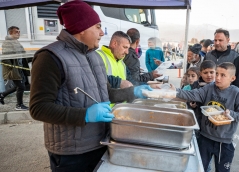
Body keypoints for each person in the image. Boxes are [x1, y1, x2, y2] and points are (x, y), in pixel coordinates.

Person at [29, 1, 151, 171]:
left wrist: (134, 92)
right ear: (82, 28)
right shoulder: (50, 57)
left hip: (101, 141)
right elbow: (38, 108)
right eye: (98, 26)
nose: (102, 32)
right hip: (71, 153)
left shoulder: (94, 57)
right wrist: (85, 114)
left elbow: (106, 93)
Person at [171, 62, 239, 172]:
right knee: (201, 168)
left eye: (223, 75)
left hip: (224, 141)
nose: (217, 78)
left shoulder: (236, 93)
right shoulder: (209, 87)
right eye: (217, 73)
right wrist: (175, 91)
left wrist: (230, 114)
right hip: (205, 137)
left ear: (232, 78)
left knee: (222, 169)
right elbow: (192, 94)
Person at [0, 26, 30, 110]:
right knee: (21, 87)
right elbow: (5, 57)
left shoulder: (16, 42)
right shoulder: (7, 43)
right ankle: (19, 105)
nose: (18, 33)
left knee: (20, 86)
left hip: (19, 68)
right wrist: (13, 68)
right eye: (16, 32)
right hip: (14, 69)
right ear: (10, 33)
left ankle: (2, 95)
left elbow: (22, 54)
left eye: (19, 31)